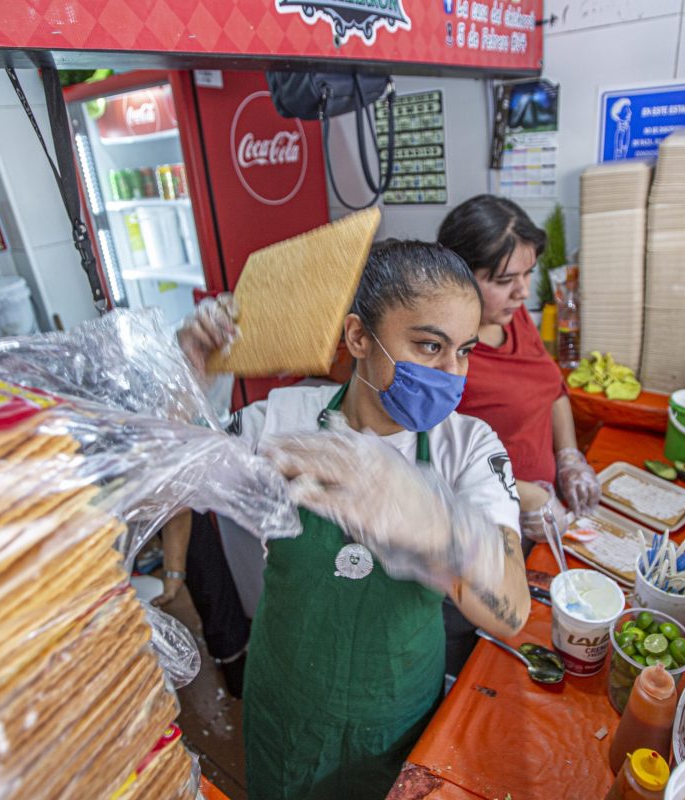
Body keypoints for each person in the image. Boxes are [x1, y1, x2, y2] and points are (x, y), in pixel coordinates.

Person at [178, 240, 529, 800]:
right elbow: (171, 473)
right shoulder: (282, 423)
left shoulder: (466, 448)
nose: (450, 373)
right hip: (286, 707)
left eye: (463, 351)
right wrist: (186, 376)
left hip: (394, 714)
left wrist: (436, 522)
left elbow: (511, 610)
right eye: (429, 345)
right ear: (360, 336)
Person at [437, 195, 600, 539]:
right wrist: (527, 496)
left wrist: (569, 457)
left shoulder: (513, 318)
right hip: (493, 525)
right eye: (504, 280)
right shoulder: (442, 357)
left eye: (528, 274)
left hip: (546, 508)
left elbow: (551, 388)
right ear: (458, 276)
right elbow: (437, 465)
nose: (523, 291)